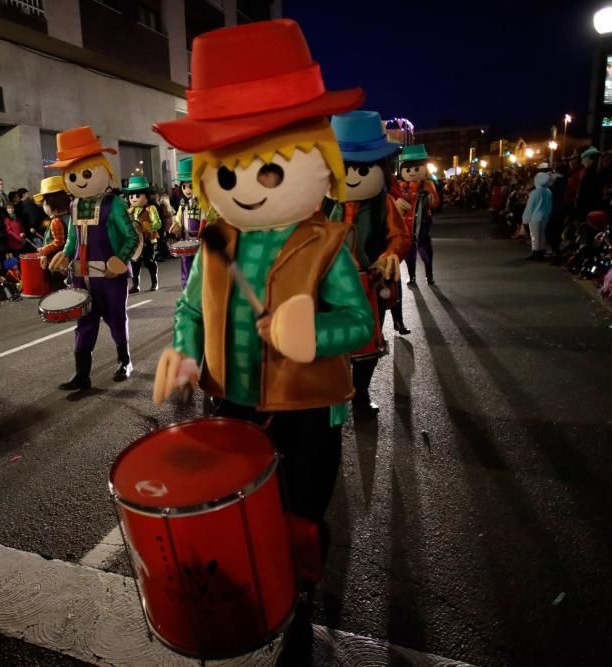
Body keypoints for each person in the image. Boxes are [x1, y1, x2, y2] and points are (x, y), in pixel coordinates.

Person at [151, 17, 373, 589]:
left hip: (306, 408)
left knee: (301, 508)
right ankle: (257, 575)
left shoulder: (325, 243)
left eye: (271, 170)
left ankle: (298, 588)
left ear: (319, 163)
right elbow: (192, 310)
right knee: (237, 504)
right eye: (226, 173)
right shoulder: (217, 240)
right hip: (230, 402)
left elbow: (358, 322)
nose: (246, 187)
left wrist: (314, 337)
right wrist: (184, 351)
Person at [329, 110, 411, 417]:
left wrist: (389, 256)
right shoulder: (319, 202)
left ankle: (360, 394)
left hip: (370, 282)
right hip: (329, 285)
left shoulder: (383, 203)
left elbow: (400, 237)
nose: (351, 176)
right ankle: (334, 394)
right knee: (331, 342)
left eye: (362, 168)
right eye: (344, 167)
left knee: (367, 345)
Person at [46, 126, 140, 389]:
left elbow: (133, 236)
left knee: (116, 319)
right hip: (80, 276)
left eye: (87, 173)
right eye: (73, 175)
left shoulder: (115, 204)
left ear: (103, 170)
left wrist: (121, 259)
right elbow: (73, 239)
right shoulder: (74, 205)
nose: (80, 180)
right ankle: (81, 374)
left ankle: (125, 360)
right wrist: (65, 255)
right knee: (84, 323)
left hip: (109, 276)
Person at [398, 144, 441, 285]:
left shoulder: (427, 184)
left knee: (425, 248)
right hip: (406, 223)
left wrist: (428, 198)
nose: (411, 172)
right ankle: (412, 277)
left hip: (422, 221)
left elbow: (435, 202)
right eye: (408, 169)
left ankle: (429, 276)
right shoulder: (401, 185)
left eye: (416, 169)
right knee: (409, 252)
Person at [170, 156, 205, 288]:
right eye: (184, 186)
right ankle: (187, 289)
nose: (187, 190)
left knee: (200, 266)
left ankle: (200, 290)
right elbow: (179, 219)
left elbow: (208, 219)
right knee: (186, 264)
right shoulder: (183, 204)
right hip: (186, 239)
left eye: (191, 186)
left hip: (201, 240)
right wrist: (176, 226)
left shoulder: (205, 204)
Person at [123, 175, 161, 293]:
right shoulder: (130, 210)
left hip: (149, 239)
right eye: (131, 196)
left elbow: (158, 223)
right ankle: (136, 285)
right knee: (135, 262)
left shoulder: (151, 208)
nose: (134, 198)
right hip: (136, 241)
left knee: (149, 261)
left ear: (146, 196)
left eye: (138, 195)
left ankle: (155, 282)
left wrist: (150, 227)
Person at [34, 176, 71, 290]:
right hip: (68, 260)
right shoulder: (71, 216)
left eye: (44, 203)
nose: (43, 207)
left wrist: (43, 250)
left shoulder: (56, 220)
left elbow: (58, 242)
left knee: (57, 288)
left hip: (56, 261)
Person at [522, 172, 553, 261]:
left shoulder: (535, 193)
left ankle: (536, 252)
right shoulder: (548, 192)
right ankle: (541, 251)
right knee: (542, 234)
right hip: (545, 215)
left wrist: (525, 218)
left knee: (534, 235)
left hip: (535, 216)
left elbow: (530, 206)